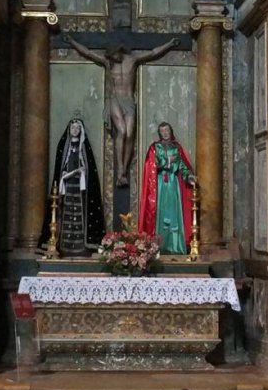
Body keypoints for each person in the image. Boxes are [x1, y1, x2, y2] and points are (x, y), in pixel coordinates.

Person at [63, 34, 179, 186]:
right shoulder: (108, 62)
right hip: (115, 100)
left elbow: (153, 53)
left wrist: (169, 44)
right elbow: (88, 53)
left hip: (128, 101)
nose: (113, 58)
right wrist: (72, 42)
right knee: (122, 131)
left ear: (120, 51)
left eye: (115, 55)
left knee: (130, 134)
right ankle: (120, 171)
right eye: (111, 56)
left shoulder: (132, 60)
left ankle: (124, 168)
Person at [43, 118, 105, 257]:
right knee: (64, 212)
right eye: (73, 128)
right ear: (69, 130)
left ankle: (82, 247)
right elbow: (61, 166)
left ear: (81, 130)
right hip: (67, 186)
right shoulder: (63, 146)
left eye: (78, 128)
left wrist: (82, 171)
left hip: (80, 188)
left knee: (80, 214)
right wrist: (65, 174)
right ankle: (62, 246)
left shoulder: (84, 147)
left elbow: (88, 167)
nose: (75, 130)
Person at [139, 122, 196, 254]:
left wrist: (189, 176)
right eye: (162, 131)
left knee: (174, 213)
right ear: (159, 133)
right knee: (160, 211)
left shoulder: (176, 147)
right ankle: (158, 246)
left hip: (173, 183)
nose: (165, 133)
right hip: (159, 185)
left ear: (171, 131)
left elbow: (182, 166)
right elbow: (151, 165)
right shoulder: (155, 147)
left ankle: (175, 246)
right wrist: (167, 162)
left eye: (167, 130)